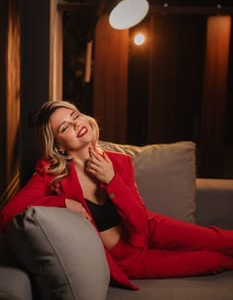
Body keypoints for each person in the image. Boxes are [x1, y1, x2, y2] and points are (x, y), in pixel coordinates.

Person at [1, 100, 233, 290]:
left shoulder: (120, 162)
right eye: (64, 127)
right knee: (213, 260)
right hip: (128, 260)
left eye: (75, 115)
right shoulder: (50, 174)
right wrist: (63, 202)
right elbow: (7, 215)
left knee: (218, 238)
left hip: (149, 229)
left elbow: (140, 224)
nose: (76, 124)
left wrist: (111, 180)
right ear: (60, 146)